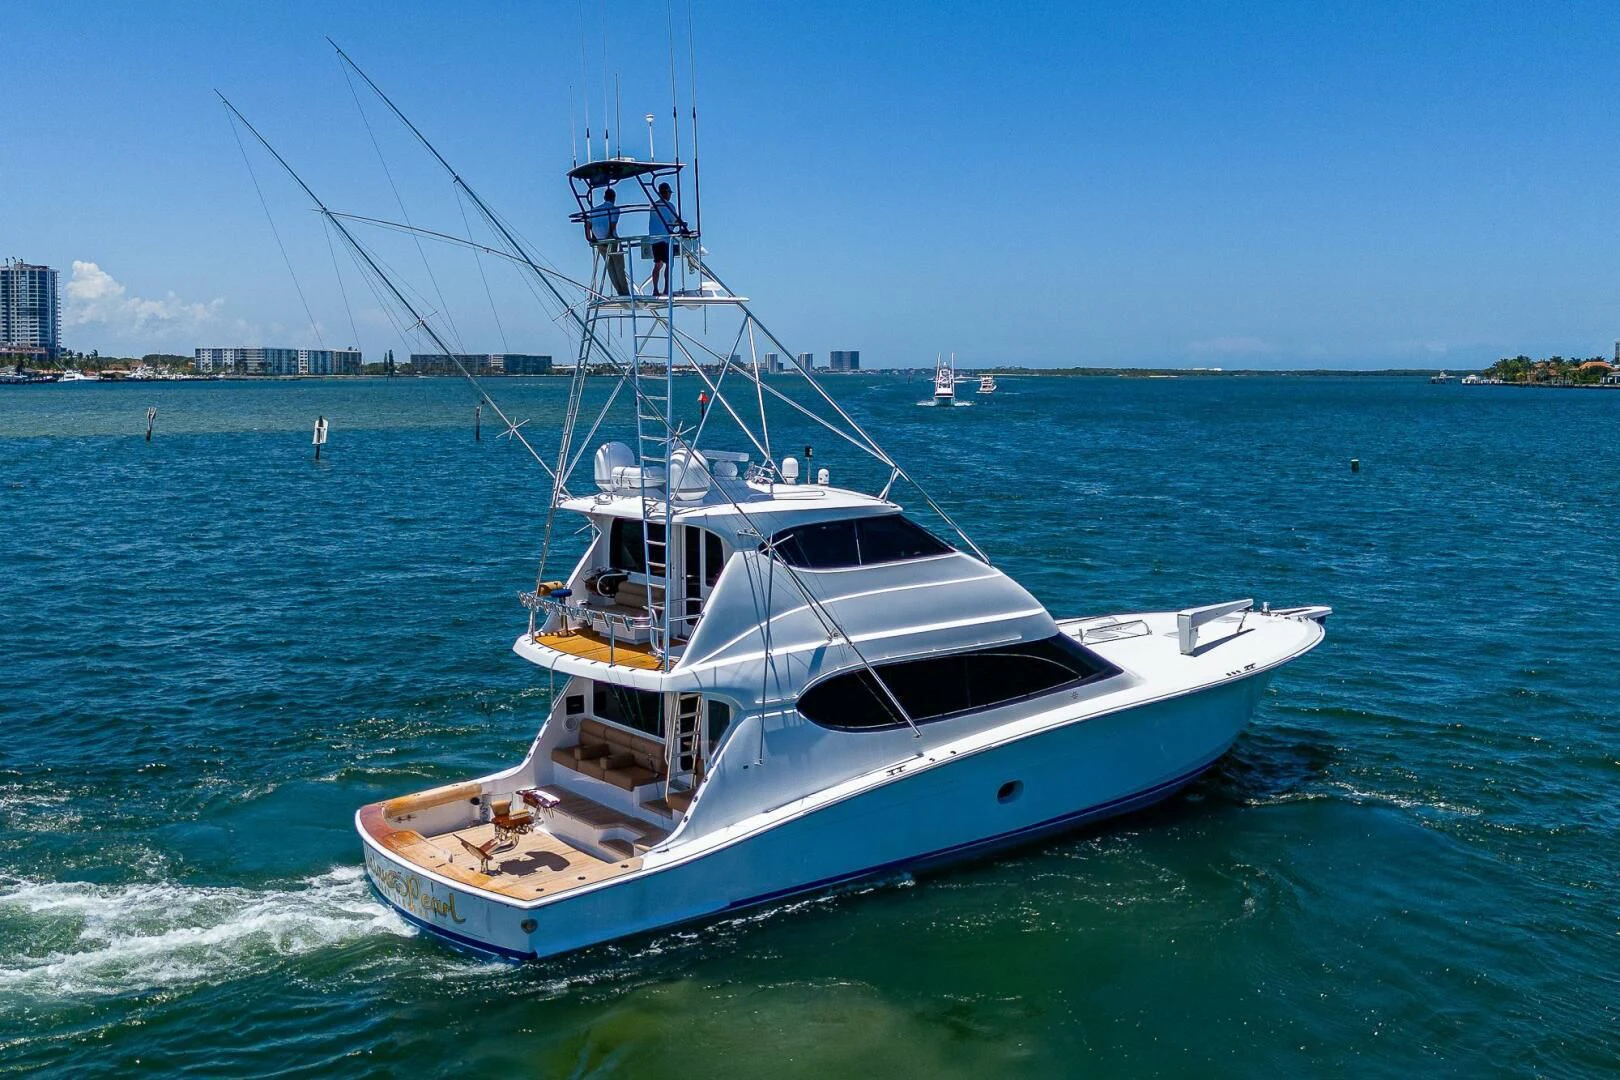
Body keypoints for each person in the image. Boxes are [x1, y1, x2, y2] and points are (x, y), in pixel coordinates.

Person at [584, 187, 630, 296]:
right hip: (612, 241)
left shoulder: (594, 210)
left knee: (610, 268)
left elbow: (587, 225)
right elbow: (612, 225)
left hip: (599, 242)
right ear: (614, 198)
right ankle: (625, 292)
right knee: (619, 267)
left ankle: (619, 291)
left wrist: (590, 238)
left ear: (604, 197)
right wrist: (608, 237)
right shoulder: (614, 209)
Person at [647, 182, 685, 297]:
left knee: (657, 265)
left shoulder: (654, 206)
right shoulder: (669, 206)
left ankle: (655, 290)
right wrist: (683, 224)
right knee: (669, 265)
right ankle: (666, 290)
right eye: (669, 193)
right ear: (666, 193)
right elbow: (674, 220)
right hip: (666, 239)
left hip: (654, 239)